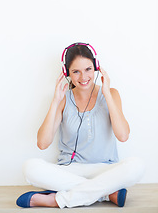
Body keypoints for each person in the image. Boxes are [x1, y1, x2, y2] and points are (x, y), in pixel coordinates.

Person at [16, 43, 145, 209]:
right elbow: (42, 143)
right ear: (67, 72)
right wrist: (55, 102)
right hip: (70, 170)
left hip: (105, 170)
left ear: (96, 68)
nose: (83, 77)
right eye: (76, 71)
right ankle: (105, 193)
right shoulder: (63, 98)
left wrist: (106, 94)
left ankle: (57, 200)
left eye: (88, 69)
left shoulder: (111, 94)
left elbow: (123, 135)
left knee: (137, 165)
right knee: (30, 168)